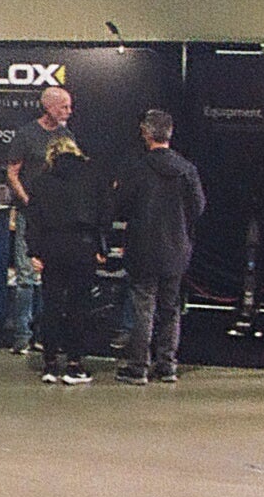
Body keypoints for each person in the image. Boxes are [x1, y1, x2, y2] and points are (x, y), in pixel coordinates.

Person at [109, 109, 206, 386]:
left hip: (142, 247)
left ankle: (138, 367)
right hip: (176, 248)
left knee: (143, 307)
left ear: (146, 133)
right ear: (170, 133)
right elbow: (198, 207)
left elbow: (121, 207)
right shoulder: (187, 169)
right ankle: (167, 366)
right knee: (170, 308)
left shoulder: (137, 169)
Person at [20, 132, 102, 385]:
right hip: (83, 247)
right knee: (79, 306)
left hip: (52, 248)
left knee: (52, 305)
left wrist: (34, 252)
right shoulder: (91, 178)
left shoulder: (41, 181)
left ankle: (50, 363)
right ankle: (75, 364)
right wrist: (101, 247)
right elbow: (103, 213)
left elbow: (32, 221)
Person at [2, 84, 75, 365]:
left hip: (56, 218)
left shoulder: (67, 136)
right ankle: (21, 336)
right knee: (25, 276)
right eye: (64, 107)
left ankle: (47, 334)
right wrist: (28, 201)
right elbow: (12, 172)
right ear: (49, 107)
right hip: (29, 214)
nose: (68, 111)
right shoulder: (27, 135)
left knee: (51, 278)